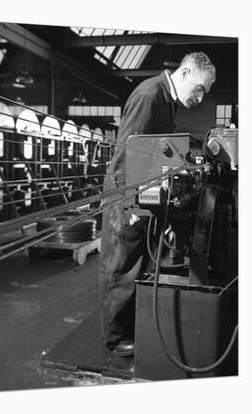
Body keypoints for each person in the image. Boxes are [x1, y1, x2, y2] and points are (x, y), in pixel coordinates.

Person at [98, 52, 216, 356]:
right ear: (186, 71)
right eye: (201, 89)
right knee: (122, 265)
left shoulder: (168, 101)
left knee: (139, 263)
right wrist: (130, 205)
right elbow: (126, 154)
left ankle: (130, 324)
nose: (201, 99)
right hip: (127, 198)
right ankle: (114, 338)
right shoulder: (149, 96)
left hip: (145, 195)